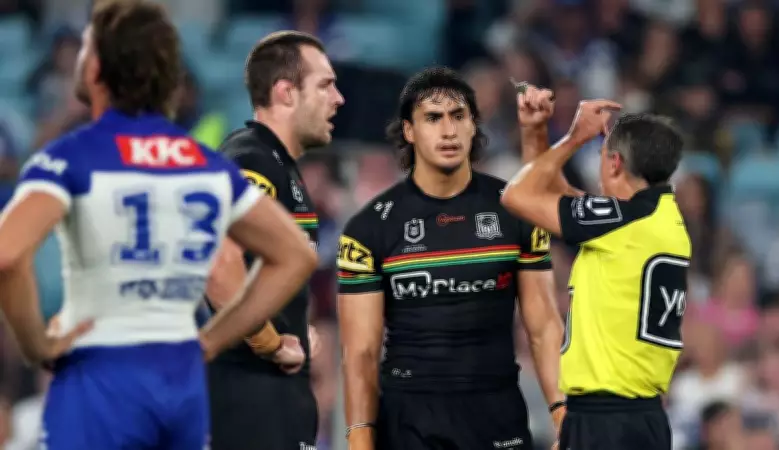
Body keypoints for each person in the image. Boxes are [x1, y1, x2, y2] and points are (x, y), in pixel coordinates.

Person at [0, 2, 317, 448]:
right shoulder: (206, 165)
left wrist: (37, 345)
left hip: (100, 378)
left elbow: (7, 255)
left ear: (96, 70)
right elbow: (295, 255)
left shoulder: (70, 157)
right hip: (181, 382)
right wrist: (214, 340)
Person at [337, 66, 565, 450]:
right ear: (409, 130)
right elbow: (361, 351)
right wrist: (360, 437)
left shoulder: (517, 211)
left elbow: (543, 326)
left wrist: (562, 414)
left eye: (459, 116)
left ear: (474, 126)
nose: (448, 130)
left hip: (497, 416)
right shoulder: (368, 229)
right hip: (409, 422)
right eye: (433, 118)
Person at [501, 92, 690, 450]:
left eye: (602, 153)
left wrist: (575, 138)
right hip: (635, 417)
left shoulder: (626, 222)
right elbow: (549, 194)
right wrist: (536, 131)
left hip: (607, 421)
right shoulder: (656, 218)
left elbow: (517, 195)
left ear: (615, 163)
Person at [204, 30, 343, 450]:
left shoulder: (280, 167)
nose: (338, 99)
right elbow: (219, 264)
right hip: (249, 402)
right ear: (286, 93)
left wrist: (294, 327)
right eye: (325, 85)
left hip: (273, 403)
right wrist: (270, 341)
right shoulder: (252, 159)